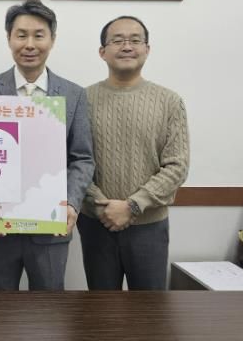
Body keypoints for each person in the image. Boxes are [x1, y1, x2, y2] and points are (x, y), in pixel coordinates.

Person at [0, 0, 94, 290]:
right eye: (21, 35)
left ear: (52, 39)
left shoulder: (73, 94)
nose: (29, 44)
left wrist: (71, 202)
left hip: (50, 228)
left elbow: (82, 158)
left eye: (39, 35)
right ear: (9, 38)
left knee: (48, 308)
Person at [78, 16, 190, 290]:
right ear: (102, 52)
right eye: (117, 40)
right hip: (97, 223)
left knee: (149, 308)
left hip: (149, 226)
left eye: (135, 40)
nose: (127, 46)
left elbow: (177, 165)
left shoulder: (170, 101)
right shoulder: (82, 100)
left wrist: (133, 205)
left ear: (147, 49)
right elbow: (73, 160)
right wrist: (101, 206)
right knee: (102, 308)